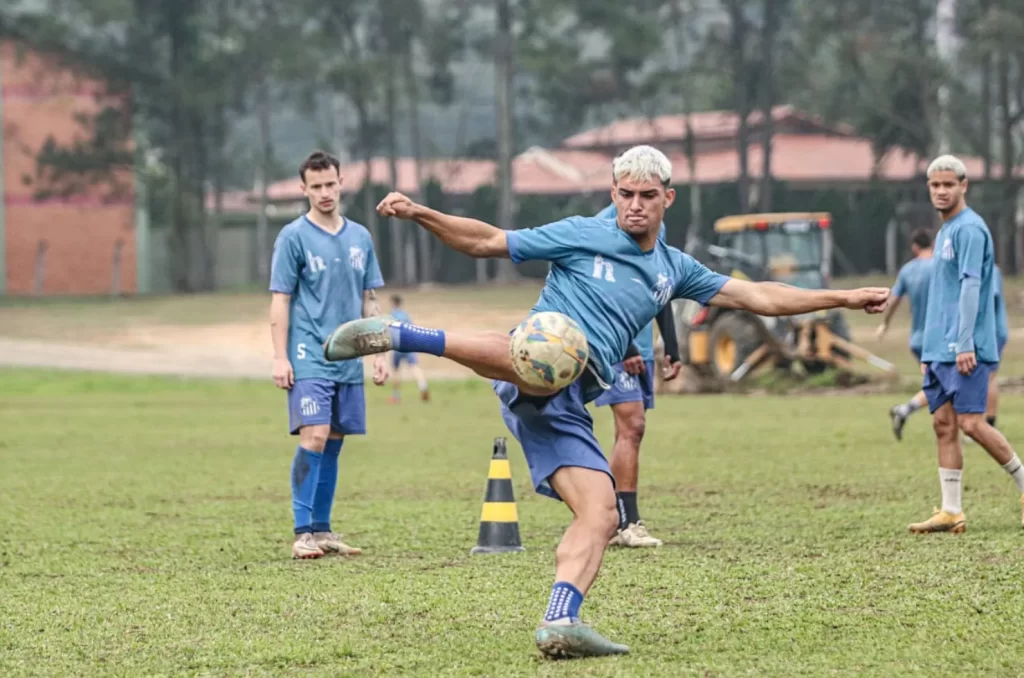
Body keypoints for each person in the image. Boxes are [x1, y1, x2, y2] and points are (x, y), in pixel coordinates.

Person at [322, 145, 889, 659]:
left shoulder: (674, 270)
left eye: (647, 196)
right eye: (624, 195)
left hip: (568, 407)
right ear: (612, 194)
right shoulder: (582, 232)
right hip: (537, 366)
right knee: (545, 354)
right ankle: (402, 334)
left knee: (603, 512)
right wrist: (422, 213)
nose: (634, 206)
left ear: (668, 198)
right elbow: (488, 241)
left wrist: (845, 295)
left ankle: (560, 619)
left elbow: (759, 295)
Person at [269, 150, 389, 560]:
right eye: (315, 186)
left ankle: (322, 530)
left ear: (341, 183)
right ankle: (301, 533)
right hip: (307, 354)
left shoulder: (360, 237)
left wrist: (379, 351)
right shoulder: (293, 237)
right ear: (303, 189)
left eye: (330, 184)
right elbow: (280, 300)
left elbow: (369, 299)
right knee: (314, 435)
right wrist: (279, 357)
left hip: (347, 358)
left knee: (334, 440)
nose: (324, 193)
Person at [907, 154, 1024, 534]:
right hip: (939, 348)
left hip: (966, 347)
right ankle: (951, 510)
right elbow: (942, 296)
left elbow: (973, 286)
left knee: (973, 423)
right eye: (935, 185)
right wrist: (930, 350)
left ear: (963, 186)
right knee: (943, 425)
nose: (941, 191)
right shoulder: (945, 231)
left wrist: (965, 342)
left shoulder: (971, 229)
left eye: (948, 185)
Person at [592, 202, 682, 548]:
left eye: (650, 190)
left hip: (643, 348)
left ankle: (614, 519)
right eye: (630, 189)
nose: (639, 200)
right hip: (614, 346)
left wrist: (670, 344)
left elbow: (661, 286)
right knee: (632, 425)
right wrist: (626, 347)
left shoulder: (658, 228)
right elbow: (600, 292)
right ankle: (624, 522)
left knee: (631, 430)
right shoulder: (603, 227)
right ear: (616, 188)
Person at [877, 228, 935, 440]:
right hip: (940, 339)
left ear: (914, 247)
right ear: (933, 244)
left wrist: (885, 324)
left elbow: (893, 300)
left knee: (939, 384)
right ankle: (905, 410)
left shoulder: (907, 270)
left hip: (918, 339)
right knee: (946, 385)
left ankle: (905, 411)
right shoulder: (941, 266)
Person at [388, 294, 431, 403]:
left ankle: (396, 396)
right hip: (409, 345)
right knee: (414, 367)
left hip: (398, 346)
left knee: (396, 371)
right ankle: (423, 387)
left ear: (393, 303)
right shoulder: (406, 315)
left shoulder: (391, 315)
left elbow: (390, 331)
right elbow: (412, 329)